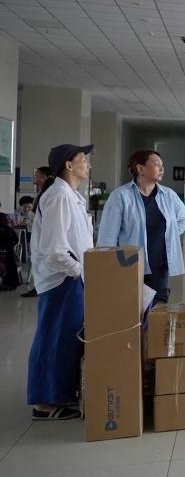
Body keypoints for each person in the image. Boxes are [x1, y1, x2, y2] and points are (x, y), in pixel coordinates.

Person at [26, 144, 94, 420]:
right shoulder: (58, 197)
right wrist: (78, 271)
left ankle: (61, 394)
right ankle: (44, 402)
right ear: (68, 165)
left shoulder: (71, 196)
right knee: (53, 337)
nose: (87, 164)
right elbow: (54, 250)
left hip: (72, 278)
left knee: (67, 338)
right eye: (83, 159)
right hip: (61, 280)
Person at [97, 150, 185, 305]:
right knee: (131, 308)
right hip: (130, 265)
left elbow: (183, 219)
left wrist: (168, 234)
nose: (161, 168)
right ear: (140, 169)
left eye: (162, 165)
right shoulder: (120, 196)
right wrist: (108, 268)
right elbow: (107, 238)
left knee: (157, 308)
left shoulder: (169, 195)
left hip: (160, 265)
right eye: (156, 164)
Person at [21, 166, 54, 298]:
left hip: (42, 232)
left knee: (40, 259)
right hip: (36, 230)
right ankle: (36, 286)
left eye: (37, 174)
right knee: (36, 259)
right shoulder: (42, 191)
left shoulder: (48, 192)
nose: (34, 177)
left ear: (44, 177)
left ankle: (38, 287)